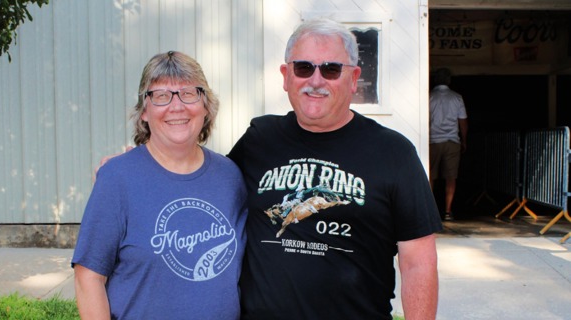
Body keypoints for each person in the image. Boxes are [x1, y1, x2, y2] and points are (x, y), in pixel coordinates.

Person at [228, 18, 442, 319]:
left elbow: (418, 261)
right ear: (286, 76)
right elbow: (204, 183)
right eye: (303, 68)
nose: (316, 81)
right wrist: (149, 159)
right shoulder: (257, 140)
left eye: (331, 69)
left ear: (354, 79)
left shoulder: (394, 152)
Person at [72, 51, 247, 319]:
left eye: (189, 93)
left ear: (206, 106)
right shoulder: (117, 178)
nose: (176, 106)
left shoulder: (230, 176)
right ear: (144, 111)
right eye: (161, 95)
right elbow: (89, 278)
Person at [429, 67, 468, 221]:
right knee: (451, 178)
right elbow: (463, 121)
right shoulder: (457, 98)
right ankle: (447, 211)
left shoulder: (429, 97)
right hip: (452, 141)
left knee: (430, 176)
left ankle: (431, 211)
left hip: (433, 141)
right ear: (449, 81)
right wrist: (464, 140)